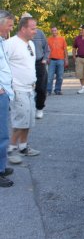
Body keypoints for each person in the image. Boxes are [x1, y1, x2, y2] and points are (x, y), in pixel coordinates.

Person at [5, 16, 40, 164]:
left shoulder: (30, 44)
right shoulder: (10, 44)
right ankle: (11, 150)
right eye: (32, 28)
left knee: (29, 120)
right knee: (20, 121)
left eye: (35, 28)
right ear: (23, 28)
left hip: (30, 89)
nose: (35, 31)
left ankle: (23, 147)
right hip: (17, 89)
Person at [21, 13, 49, 119]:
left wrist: (45, 59)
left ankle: (39, 108)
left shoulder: (40, 33)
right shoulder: (18, 36)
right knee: (26, 88)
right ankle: (28, 108)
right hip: (25, 64)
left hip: (39, 63)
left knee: (41, 88)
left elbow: (47, 48)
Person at [0, 10, 15, 187]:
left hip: (5, 92)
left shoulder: (2, 42)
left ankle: (1, 166)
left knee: (2, 133)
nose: (10, 28)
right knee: (1, 135)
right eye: (9, 25)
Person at [47, 25, 68, 95]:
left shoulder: (62, 39)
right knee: (50, 76)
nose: (54, 32)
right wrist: (47, 58)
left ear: (57, 31)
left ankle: (58, 89)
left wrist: (66, 59)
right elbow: (47, 50)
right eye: (52, 31)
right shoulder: (48, 39)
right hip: (52, 60)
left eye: (55, 30)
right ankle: (48, 90)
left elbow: (65, 50)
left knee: (60, 76)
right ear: (51, 32)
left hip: (60, 60)